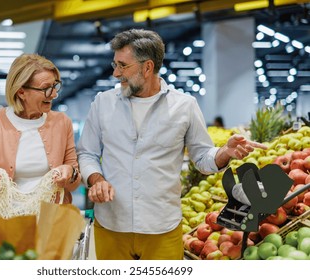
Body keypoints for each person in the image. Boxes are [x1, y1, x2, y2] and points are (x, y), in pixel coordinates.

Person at [77, 29, 267, 260]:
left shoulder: (184, 106)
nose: (116, 73)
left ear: (147, 67)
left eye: (122, 65)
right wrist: (96, 179)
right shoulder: (102, 103)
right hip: (111, 225)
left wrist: (225, 152)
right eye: (115, 64)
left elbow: (202, 158)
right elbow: (87, 153)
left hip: (163, 228)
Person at [0, 53, 81, 210]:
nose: (54, 94)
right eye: (46, 88)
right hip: (6, 218)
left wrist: (70, 173)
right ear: (21, 92)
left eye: (55, 86)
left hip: (51, 219)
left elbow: (74, 179)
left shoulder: (62, 122)